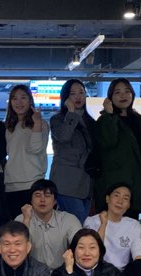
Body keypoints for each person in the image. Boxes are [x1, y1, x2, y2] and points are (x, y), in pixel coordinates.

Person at [87, 78, 141, 215]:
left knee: (132, 220)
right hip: (114, 183)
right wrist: (110, 114)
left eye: (127, 91)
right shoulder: (104, 120)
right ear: (110, 97)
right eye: (117, 92)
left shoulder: (139, 121)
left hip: (137, 182)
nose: (123, 96)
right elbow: (108, 141)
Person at [49, 79, 95, 223]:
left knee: (83, 226)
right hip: (66, 183)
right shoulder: (57, 119)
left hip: (86, 184)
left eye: (81, 92)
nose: (78, 97)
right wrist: (71, 113)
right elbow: (64, 136)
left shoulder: (90, 121)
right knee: (77, 226)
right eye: (72, 93)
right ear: (65, 97)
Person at [3, 84, 49, 219]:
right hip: (11, 184)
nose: (19, 102)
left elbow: (35, 148)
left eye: (23, 97)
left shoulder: (41, 124)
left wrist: (37, 124)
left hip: (33, 183)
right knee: (15, 226)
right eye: (15, 98)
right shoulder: (9, 126)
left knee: (33, 225)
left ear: (30, 100)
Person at [15, 179, 81, 270]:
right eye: (38, 195)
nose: (42, 200)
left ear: (55, 201)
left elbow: (81, 245)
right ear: (31, 200)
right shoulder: (21, 219)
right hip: (32, 272)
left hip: (62, 272)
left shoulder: (69, 219)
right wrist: (26, 220)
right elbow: (16, 248)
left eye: (47, 195)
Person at [84, 183, 141, 271]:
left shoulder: (134, 225)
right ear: (107, 198)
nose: (120, 201)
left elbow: (138, 255)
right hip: (96, 271)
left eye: (125, 198)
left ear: (128, 205)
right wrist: (103, 224)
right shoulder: (91, 221)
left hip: (122, 274)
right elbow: (93, 251)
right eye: (116, 195)